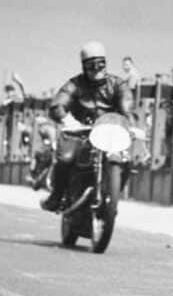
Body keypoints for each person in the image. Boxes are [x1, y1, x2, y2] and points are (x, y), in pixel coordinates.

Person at [42, 41, 131, 213]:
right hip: (79, 132)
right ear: (84, 66)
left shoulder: (117, 84)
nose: (97, 70)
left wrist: (130, 121)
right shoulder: (74, 84)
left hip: (108, 132)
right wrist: (66, 118)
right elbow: (58, 103)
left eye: (100, 64)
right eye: (91, 65)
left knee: (127, 161)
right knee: (66, 159)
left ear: (105, 63)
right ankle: (57, 196)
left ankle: (112, 195)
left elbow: (127, 101)